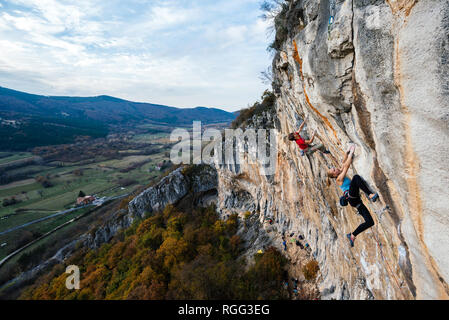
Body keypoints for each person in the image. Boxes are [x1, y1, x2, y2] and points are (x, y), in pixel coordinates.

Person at [327, 144, 379, 247]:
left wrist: (347, 152)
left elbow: (343, 163)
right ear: (334, 175)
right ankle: (370, 194)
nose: (335, 168)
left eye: (334, 168)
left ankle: (352, 235)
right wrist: (351, 152)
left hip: (355, 201)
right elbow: (346, 166)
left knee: (370, 222)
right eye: (334, 170)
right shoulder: (338, 179)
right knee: (355, 178)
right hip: (352, 197)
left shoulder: (339, 173)